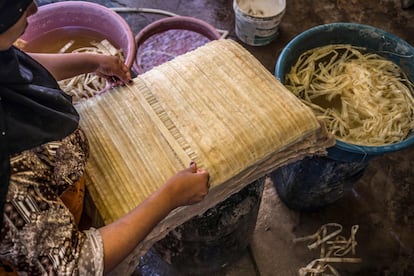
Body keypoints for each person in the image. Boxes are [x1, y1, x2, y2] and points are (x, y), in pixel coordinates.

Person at [0, 1, 210, 275]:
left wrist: (90, 61)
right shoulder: (13, 183)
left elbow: (20, 68)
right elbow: (72, 265)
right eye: (19, 7)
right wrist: (170, 197)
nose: (35, 9)